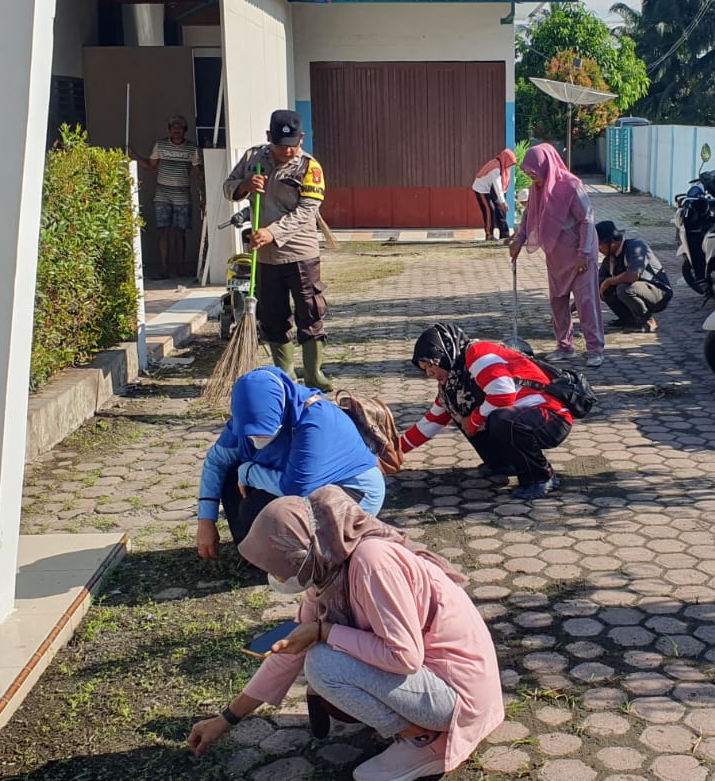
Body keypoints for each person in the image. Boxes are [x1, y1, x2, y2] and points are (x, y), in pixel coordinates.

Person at [186, 487, 504, 781]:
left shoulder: (373, 562)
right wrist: (226, 718)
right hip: (433, 681)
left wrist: (325, 631)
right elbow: (288, 650)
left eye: (282, 565)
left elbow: (404, 656)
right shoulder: (327, 568)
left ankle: (425, 742)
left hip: (459, 696)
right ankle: (415, 729)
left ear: (301, 550)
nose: (278, 576)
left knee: (323, 663)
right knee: (320, 660)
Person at [195, 367, 385, 559]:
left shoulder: (316, 420)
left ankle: (303, 557)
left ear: (281, 409)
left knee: (260, 508)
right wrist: (206, 521)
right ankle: (256, 553)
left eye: (266, 430)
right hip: (291, 482)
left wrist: (248, 473)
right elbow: (216, 461)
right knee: (231, 475)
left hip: (350, 491)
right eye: (251, 432)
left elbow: (295, 488)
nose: (257, 438)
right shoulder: (244, 420)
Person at [400, 323, 574, 501]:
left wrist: (474, 420)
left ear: (444, 353)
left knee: (498, 419)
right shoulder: (453, 385)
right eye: (424, 370)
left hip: (551, 417)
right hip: (526, 416)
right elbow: (430, 422)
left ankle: (541, 477)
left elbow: (503, 395)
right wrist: (393, 451)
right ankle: (502, 464)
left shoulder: (478, 355)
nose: (429, 373)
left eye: (431, 365)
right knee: (463, 413)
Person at [224, 109, 334, 390]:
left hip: (301, 253)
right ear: (268, 137)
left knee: (309, 310)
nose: (287, 151)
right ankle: (285, 374)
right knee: (272, 314)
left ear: (302, 139)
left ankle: (313, 372)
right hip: (266, 257)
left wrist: (271, 233)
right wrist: (244, 186)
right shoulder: (252, 158)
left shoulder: (310, 167)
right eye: (280, 144)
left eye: (292, 145)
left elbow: (307, 211)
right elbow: (228, 188)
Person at [510, 144, 605, 367]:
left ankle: (594, 350)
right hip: (556, 257)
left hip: (580, 256)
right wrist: (518, 240)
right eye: (528, 173)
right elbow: (528, 216)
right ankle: (565, 346)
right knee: (558, 302)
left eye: (534, 172)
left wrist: (584, 253)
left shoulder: (571, 186)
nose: (532, 177)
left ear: (546, 165)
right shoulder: (537, 188)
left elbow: (587, 219)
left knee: (586, 303)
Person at [131, 115, 201, 280]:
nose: (176, 130)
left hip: (182, 194)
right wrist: (134, 156)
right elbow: (150, 166)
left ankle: (180, 268)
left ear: (185, 131)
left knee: (180, 233)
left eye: (180, 127)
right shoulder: (160, 145)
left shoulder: (192, 149)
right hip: (162, 194)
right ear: (169, 130)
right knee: (162, 231)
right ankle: (163, 268)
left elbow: (198, 171)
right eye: (173, 127)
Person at [596, 221, 672, 333]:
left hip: (658, 293)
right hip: (636, 289)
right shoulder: (610, 258)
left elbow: (633, 275)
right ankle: (628, 319)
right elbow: (594, 285)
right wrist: (569, 310)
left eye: (599, 245)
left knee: (623, 288)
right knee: (599, 283)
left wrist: (608, 282)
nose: (598, 249)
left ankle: (647, 320)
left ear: (612, 242)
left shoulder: (636, 246)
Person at [471, 149, 515, 241]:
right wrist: (503, 202)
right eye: (509, 163)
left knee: (496, 210)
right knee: (489, 210)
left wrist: (502, 201)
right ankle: (489, 235)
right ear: (506, 159)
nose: (509, 166)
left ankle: (503, 235)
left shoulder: (500, 164)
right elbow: (498, 185)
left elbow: (500, 186)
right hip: (481, 189)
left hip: (489, 188)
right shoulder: (496, 168)